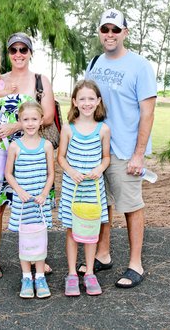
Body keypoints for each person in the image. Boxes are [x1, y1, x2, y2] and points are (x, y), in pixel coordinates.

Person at [84, 8, 157, 288]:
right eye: (105, 30)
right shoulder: (94, 63)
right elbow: (87, 102)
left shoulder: (140, 66)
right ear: (100, 33)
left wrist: (139, 153)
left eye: (116, 29)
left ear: (125, 32)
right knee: (103, 204)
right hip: (96, 147)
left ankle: (135, 264)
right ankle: (102, 255)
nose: (110, 35)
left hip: (126, 149)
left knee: (130, 206)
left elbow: (148, 113)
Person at [0, 32, 55, 280]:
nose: (18, 54)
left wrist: (15, 127)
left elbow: (48, 117)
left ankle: (35, 255)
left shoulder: (40, 81)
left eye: (23, 50)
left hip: (29, 152)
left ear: (30, 53)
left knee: (31, 204)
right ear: (7, 55)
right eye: (13, 50)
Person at [58, 80, 111, 296]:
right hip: (73, 189)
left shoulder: (103, 129)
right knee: (72, 231)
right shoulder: (68, 129)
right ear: (74, 101)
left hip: (93, 190)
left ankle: (89, 273)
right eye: (82, 99)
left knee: (91, 232)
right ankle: (72, 274)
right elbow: (60, 157)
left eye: (91, 98)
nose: (87, 103)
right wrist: (71, 171)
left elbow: (106, 157)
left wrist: (100, 168)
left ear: (98, 101)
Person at [5, 101, 54, 299]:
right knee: (25, 240)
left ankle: (40, 277)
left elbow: (51, 174)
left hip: (40, 203)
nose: (30, 123)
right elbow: (8, 173)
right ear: (20, 121)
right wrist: (19, 192)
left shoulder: (47, 146)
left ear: (41, 121)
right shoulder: (15, 146)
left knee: (40, 239)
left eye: (34, 119)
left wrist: (44, 194)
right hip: (22, 203)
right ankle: (27, 277)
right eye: (26, 119)